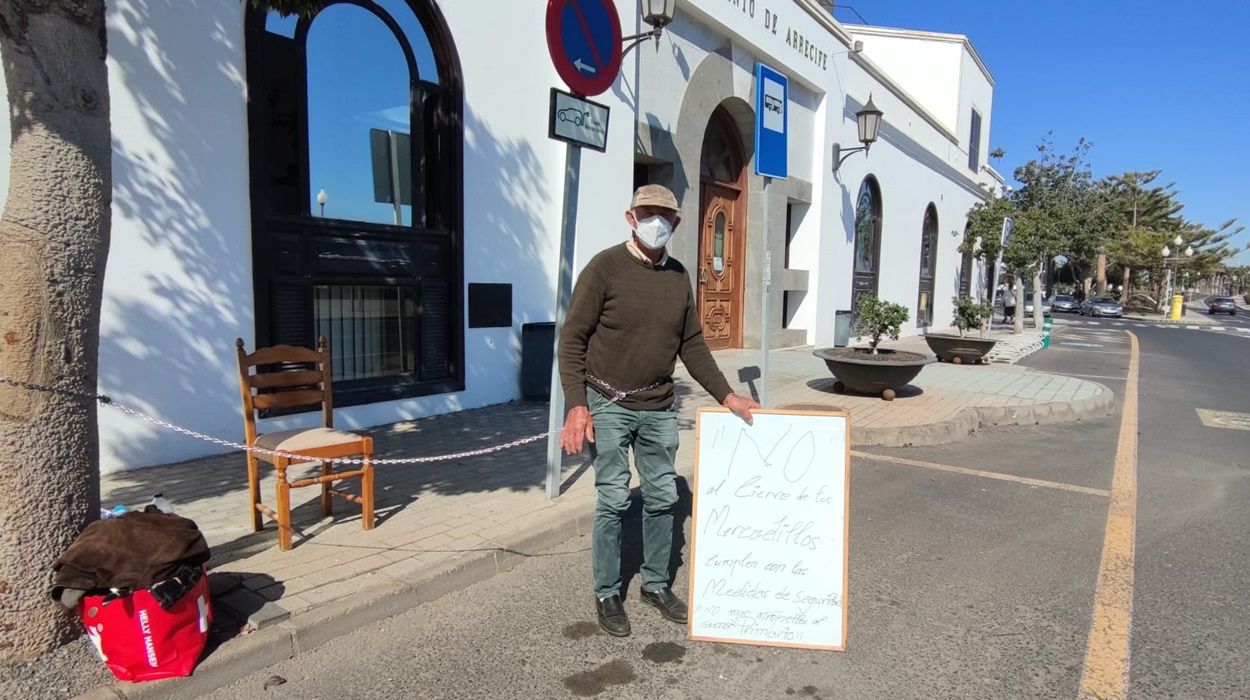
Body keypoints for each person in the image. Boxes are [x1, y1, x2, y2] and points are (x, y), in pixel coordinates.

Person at [558, 184, 761, 637]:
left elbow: (692, 344)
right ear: (631, 217)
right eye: (647, 213)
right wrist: (577, 406)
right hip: (607, 402)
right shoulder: (604, 268)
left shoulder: (679, 277)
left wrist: (727, 395)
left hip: (658, 404)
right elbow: (572, 340)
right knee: (613, 497)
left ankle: (654, 584)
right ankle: (608, 591)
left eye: (664, 215)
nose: (656, 222)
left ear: (677, 223)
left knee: (665, 496)